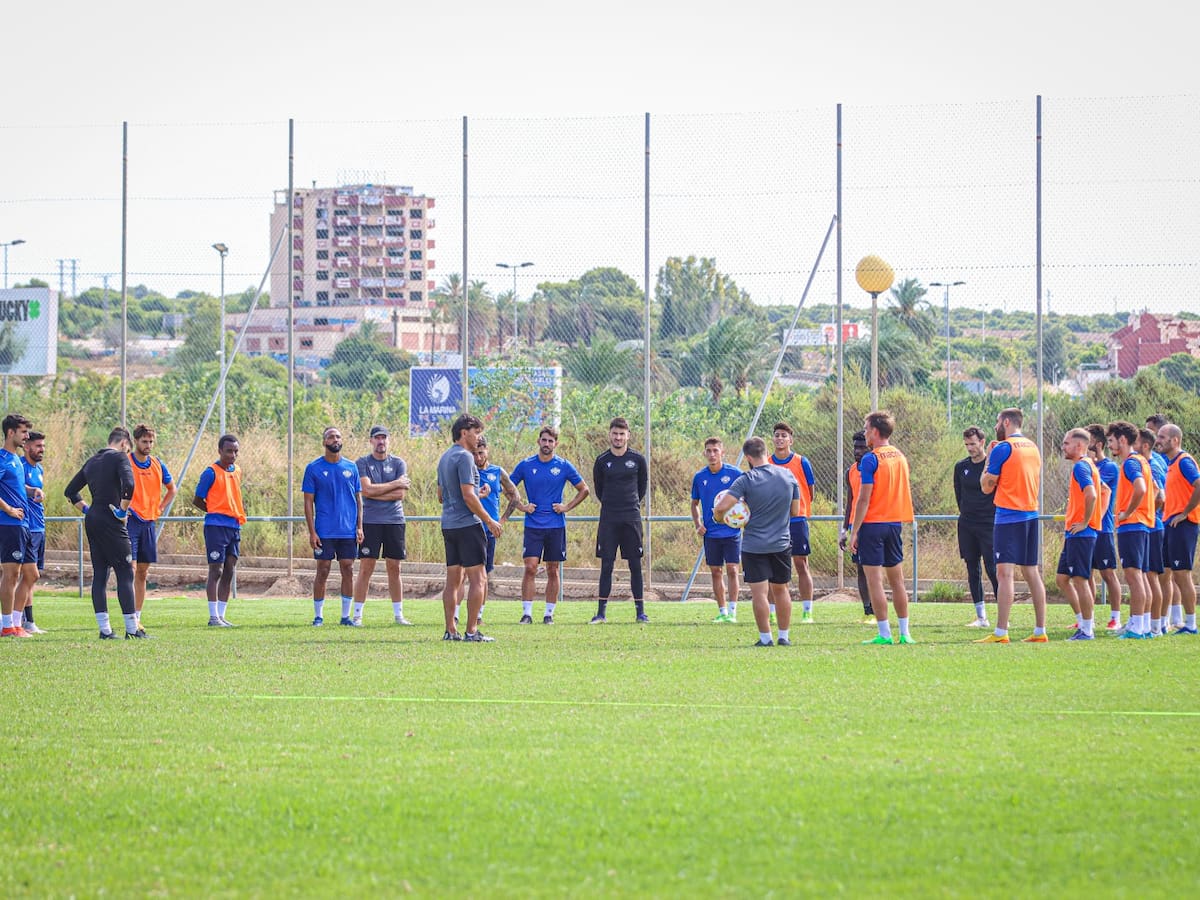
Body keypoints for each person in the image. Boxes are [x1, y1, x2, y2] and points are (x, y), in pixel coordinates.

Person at [714, 436, 799, 646]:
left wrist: (719, 517)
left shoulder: (746, 480)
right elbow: (795, 511)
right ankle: (784, 637)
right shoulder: (788, 475)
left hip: (754, 546)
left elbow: (722, 508)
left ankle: (765, 638)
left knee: (759, 593)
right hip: (781, 543)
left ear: (748, 457)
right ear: (766, 451)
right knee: (781, 590)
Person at [976, 407, 1048, 644]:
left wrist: (988, 460)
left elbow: (986, 486)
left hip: (1008, 517)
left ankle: (1001, 632)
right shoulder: (1032, 447)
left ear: (1006, 422)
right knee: (1031, 572)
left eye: (997, 421)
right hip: (1031, 515)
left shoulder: (1003, 448)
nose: (996, 426)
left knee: (1004, 573)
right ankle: (1040, 630)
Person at [64, 426, 144, 639]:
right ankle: (132, 629)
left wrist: (88, 509)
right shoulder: (119, 458)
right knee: (125, 572)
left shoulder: (92, 461)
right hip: (111, 519)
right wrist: (122, 510)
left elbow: (70, 491)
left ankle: (105, 630)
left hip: (93, 519)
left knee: (100, 574)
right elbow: (129, 483)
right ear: (125, 444)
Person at [506, 425, 589, 625]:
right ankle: (527, 613)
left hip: (555, 525)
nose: (547, 444)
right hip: (533, 525)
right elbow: (507, 487)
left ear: (556, 444)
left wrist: (566, 506)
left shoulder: (563, 466)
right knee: (531, 567)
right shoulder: (526, 465)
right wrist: (522, 507)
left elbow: (584, 489)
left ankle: (548, 614)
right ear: (538, 441)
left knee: (553, 569)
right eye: (544, 440)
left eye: (551, 441)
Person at [849, 411, 916, 645]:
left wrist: (854, 531)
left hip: (872, 525)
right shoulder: (899, 456)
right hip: (894, 524)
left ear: (875, 432)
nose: (865, 433)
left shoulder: (871, 459)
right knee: (897, 581)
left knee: (875, 581)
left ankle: (885, 633)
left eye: (866, 429)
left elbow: (864, 499)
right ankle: (905, 633)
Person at [437, 414, 501, 642]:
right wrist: (490, 520)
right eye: (476, 432)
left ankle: (450, 630)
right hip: (468, 526)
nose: (478, 438)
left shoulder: (444, 457)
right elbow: (467, 496)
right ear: (464, 432)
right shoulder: (465, 457)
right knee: (479, 579)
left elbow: (441, 496)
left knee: (452, 581)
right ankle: (472, 631)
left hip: (449, 525)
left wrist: (477, 494)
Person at [303, 426, 363, 627]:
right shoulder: (313, 468)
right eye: (330, 436)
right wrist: (312, 532)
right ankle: (318, 616)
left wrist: (359, 527)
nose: (335, 439)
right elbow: (308, 502)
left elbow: (358, 500)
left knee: (348, 568)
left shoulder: (351, 467)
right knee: (323, 570)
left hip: (347, 530)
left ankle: (346, 617)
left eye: (338, 436)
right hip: (324, 530)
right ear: (324, 442)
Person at [590, 417, 649, 624]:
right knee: (607, 565)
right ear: (610, 435)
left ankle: (640, 612)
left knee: (635, 564)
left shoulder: (638, 460)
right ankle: (601, 613)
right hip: (609, 518)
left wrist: (630, 504)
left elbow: (641, 487)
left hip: (631, 517)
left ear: (628, 436)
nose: (618, 437)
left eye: (622, 434)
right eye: (615, 433)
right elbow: (599, 490)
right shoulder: (601, 461)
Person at [353, 425, 411, 626]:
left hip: (395, 520)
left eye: (384, 438)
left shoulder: (398, 463)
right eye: (377, 438)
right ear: (371, 441)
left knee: (394, 567)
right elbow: (366, 490)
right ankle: (357, 615)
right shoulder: (362, 463)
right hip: (370, 521)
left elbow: (400, 495)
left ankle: (398, 615)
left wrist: (383, 490)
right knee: (366, 566)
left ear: (389, 440)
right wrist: (395, 484)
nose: (381, 442)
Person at [192, 434, 246, 628]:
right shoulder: (210, 472)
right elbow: (197, 499)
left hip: (234, 525)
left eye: (236, 451)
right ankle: (213, 617)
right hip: (216, 526)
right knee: (216, 570)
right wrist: (215, 511)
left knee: (230, 569)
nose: (233, 455)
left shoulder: (237, 470)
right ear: (220, 451)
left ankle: (222, 616)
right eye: (229, 451)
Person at [1108, 420, 1155, 639]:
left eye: (1111, 441)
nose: (1110, 446)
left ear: (1123, 440)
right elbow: (1155, 491)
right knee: (1142, 576)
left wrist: (1127, 512)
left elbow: (1142, 488)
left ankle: (1137, 627)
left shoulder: (1130, 463)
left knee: (1134, 577)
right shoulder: (1143, 461)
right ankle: (1142, 625)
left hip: (1133, 525)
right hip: (1143, 524)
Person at [127, 424, 177, 630]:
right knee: (129, 569)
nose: (148, 445)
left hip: (149, 522)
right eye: (144, 441)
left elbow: (172, 489)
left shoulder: (157, 464)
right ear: (135, 441)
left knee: (143, 572)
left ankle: (138, 616)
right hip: (131, 521)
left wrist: (160, 507)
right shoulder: (126, 462)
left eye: (151, 442)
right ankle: (128, 616)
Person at [690, 436, 743, 623]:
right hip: (711, 533)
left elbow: (747, 499)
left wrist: (742, 518)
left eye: (715, 451)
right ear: (704, 453)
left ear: (722, 452)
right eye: (709, 451)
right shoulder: (699, 477)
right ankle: (722, 612)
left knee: (733, 570)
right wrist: (698, 524)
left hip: (731, 532)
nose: (712, 454)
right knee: (716, 571)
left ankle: (733, 611)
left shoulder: (736, 474)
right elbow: (694, 503)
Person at [1056, 429, 1101, 640]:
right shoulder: (1088, 465)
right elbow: (1104, 491)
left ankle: (1087, 629)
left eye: (1066, 443)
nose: (1063, 447)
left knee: (1081, 580)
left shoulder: (1082, 467)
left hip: (1081, 533)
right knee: (1062, 579)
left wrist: (1085, 522)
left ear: (1080, 446)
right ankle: (1082, 622)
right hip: (1074, 533)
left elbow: (1091, 494)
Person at [769, 422, 816, 623]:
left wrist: (800, 508)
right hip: (774, 521)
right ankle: (772, 611)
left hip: (796, 520)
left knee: (801, 563)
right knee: (774, 567)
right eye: (777, 435)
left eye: (784, 436)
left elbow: (810, 491)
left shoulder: (801, 462)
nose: (780, 439)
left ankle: (807, 611)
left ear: (791, 440)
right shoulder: (767, 462)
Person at [468, 435, 517, 627]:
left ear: (487, 451)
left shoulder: (498, 472)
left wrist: (501, 520)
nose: (478, 457)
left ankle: (479, 614)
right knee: (464, 572)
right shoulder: (468, 472)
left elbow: (515, 496)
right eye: (474, 453)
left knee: (484, 574)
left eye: (481, 453)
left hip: (489, 530)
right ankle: (456, 614)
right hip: (470, 525)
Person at [1157, 423, 1200, 634]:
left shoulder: (1184, 461)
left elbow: (1199, 484)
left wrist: (1185, 512)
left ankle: (1191, 624)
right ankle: (1163, 622)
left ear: (1175, 440)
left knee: (1182, 574)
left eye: (1163, 437)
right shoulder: (1170, 463)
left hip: (1184, 524)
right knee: (1165, 573)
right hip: (1169, 524)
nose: (1159, 440)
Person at [954, 426, 998, 628]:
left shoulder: (993, 465)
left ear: (982, 442)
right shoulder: (960, 467)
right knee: (973, 569)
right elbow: (959, 495)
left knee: (992, 568)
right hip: (967, 524)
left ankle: (1001, 615)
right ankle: (981, 617)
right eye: (966, 445)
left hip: (989, 524)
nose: (970, 448)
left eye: (973, 444)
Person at [1085, 423, 1123, 630]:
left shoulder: (1108, 467)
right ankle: (1087, 617)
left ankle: (1115, 618)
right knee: (1086, 574)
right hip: (1087, 528)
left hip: (1103, 529)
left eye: (1087, 440)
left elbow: (1100, 493)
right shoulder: (1084, 465)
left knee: (1107, 573)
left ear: (1098, 444)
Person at [1147, 413, 1181, 628]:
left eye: (1155, 434)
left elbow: (1161, 494)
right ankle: (1171, 619)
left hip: (1162, 522)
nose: (1155, 440)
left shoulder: (1159, 460)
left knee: (1165, 575)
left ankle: (1162, 621)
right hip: (1165, 520)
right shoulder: (1166, 460)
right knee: (1169, 574)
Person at [0, 414, 32, 638]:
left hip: (23, 524)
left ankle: (15, 623)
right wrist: (8, 509)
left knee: (29, 573)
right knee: (11, 574)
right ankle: (7, 626)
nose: (27, 436)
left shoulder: (16, 460)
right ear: (10, 433)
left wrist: (32, 492)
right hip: (9, 523)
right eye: (23, 432)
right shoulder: (2, 459)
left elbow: (16, 488)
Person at [839, 431, 874, 625]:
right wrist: (845, 531)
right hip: (855, 526)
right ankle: (868, 612)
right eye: (856, 447)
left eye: (862, 447)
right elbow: (850, 502)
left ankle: (880, 610)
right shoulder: (850, 471)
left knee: (874, 569)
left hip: (873, 524)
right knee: (861, 568)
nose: (858, 451)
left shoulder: (875, 467)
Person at [1136, 427, 1168, 635]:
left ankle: (1155, 625)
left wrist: (1149, 514)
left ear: (1145, 445)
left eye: (1135, 442)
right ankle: (1152, 624)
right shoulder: (1149, 462)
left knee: (1151, 577)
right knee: (1150, 577)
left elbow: (1161, 496)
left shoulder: (1151, 465)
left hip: (1153, 527)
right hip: (1152, 525)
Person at [14, 430, 46, 634]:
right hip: (26, 527)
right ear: (26, 446)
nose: (41, 449)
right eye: (37, 446)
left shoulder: (39, 468)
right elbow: (15, 486)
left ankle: (28, 621)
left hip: (39, 527)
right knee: (28, 575)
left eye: (43, 446)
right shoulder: (19, 465)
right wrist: (32, 491)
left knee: (31, 576)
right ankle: (13, 620)